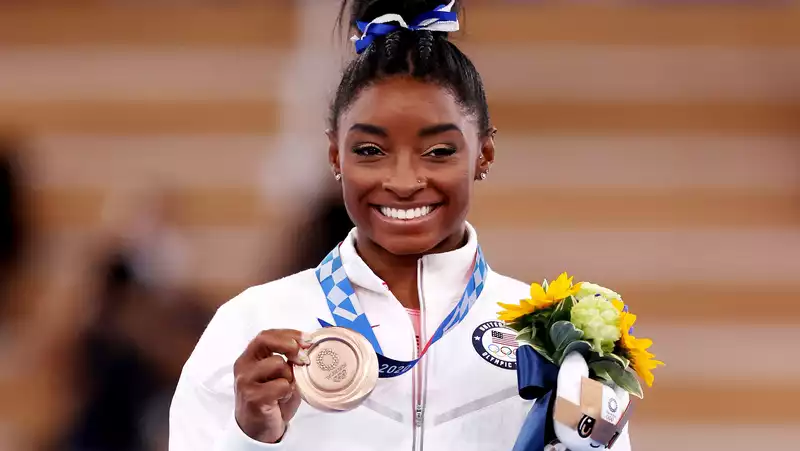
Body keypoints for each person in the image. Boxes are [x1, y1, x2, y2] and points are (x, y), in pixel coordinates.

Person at [168, 1, 633, 450]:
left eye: (439, 151)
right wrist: (252, 438)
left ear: (484, 154)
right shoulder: (251, 324)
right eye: (370, 151)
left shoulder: (557, 341)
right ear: (335, 156)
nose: (404, 182)